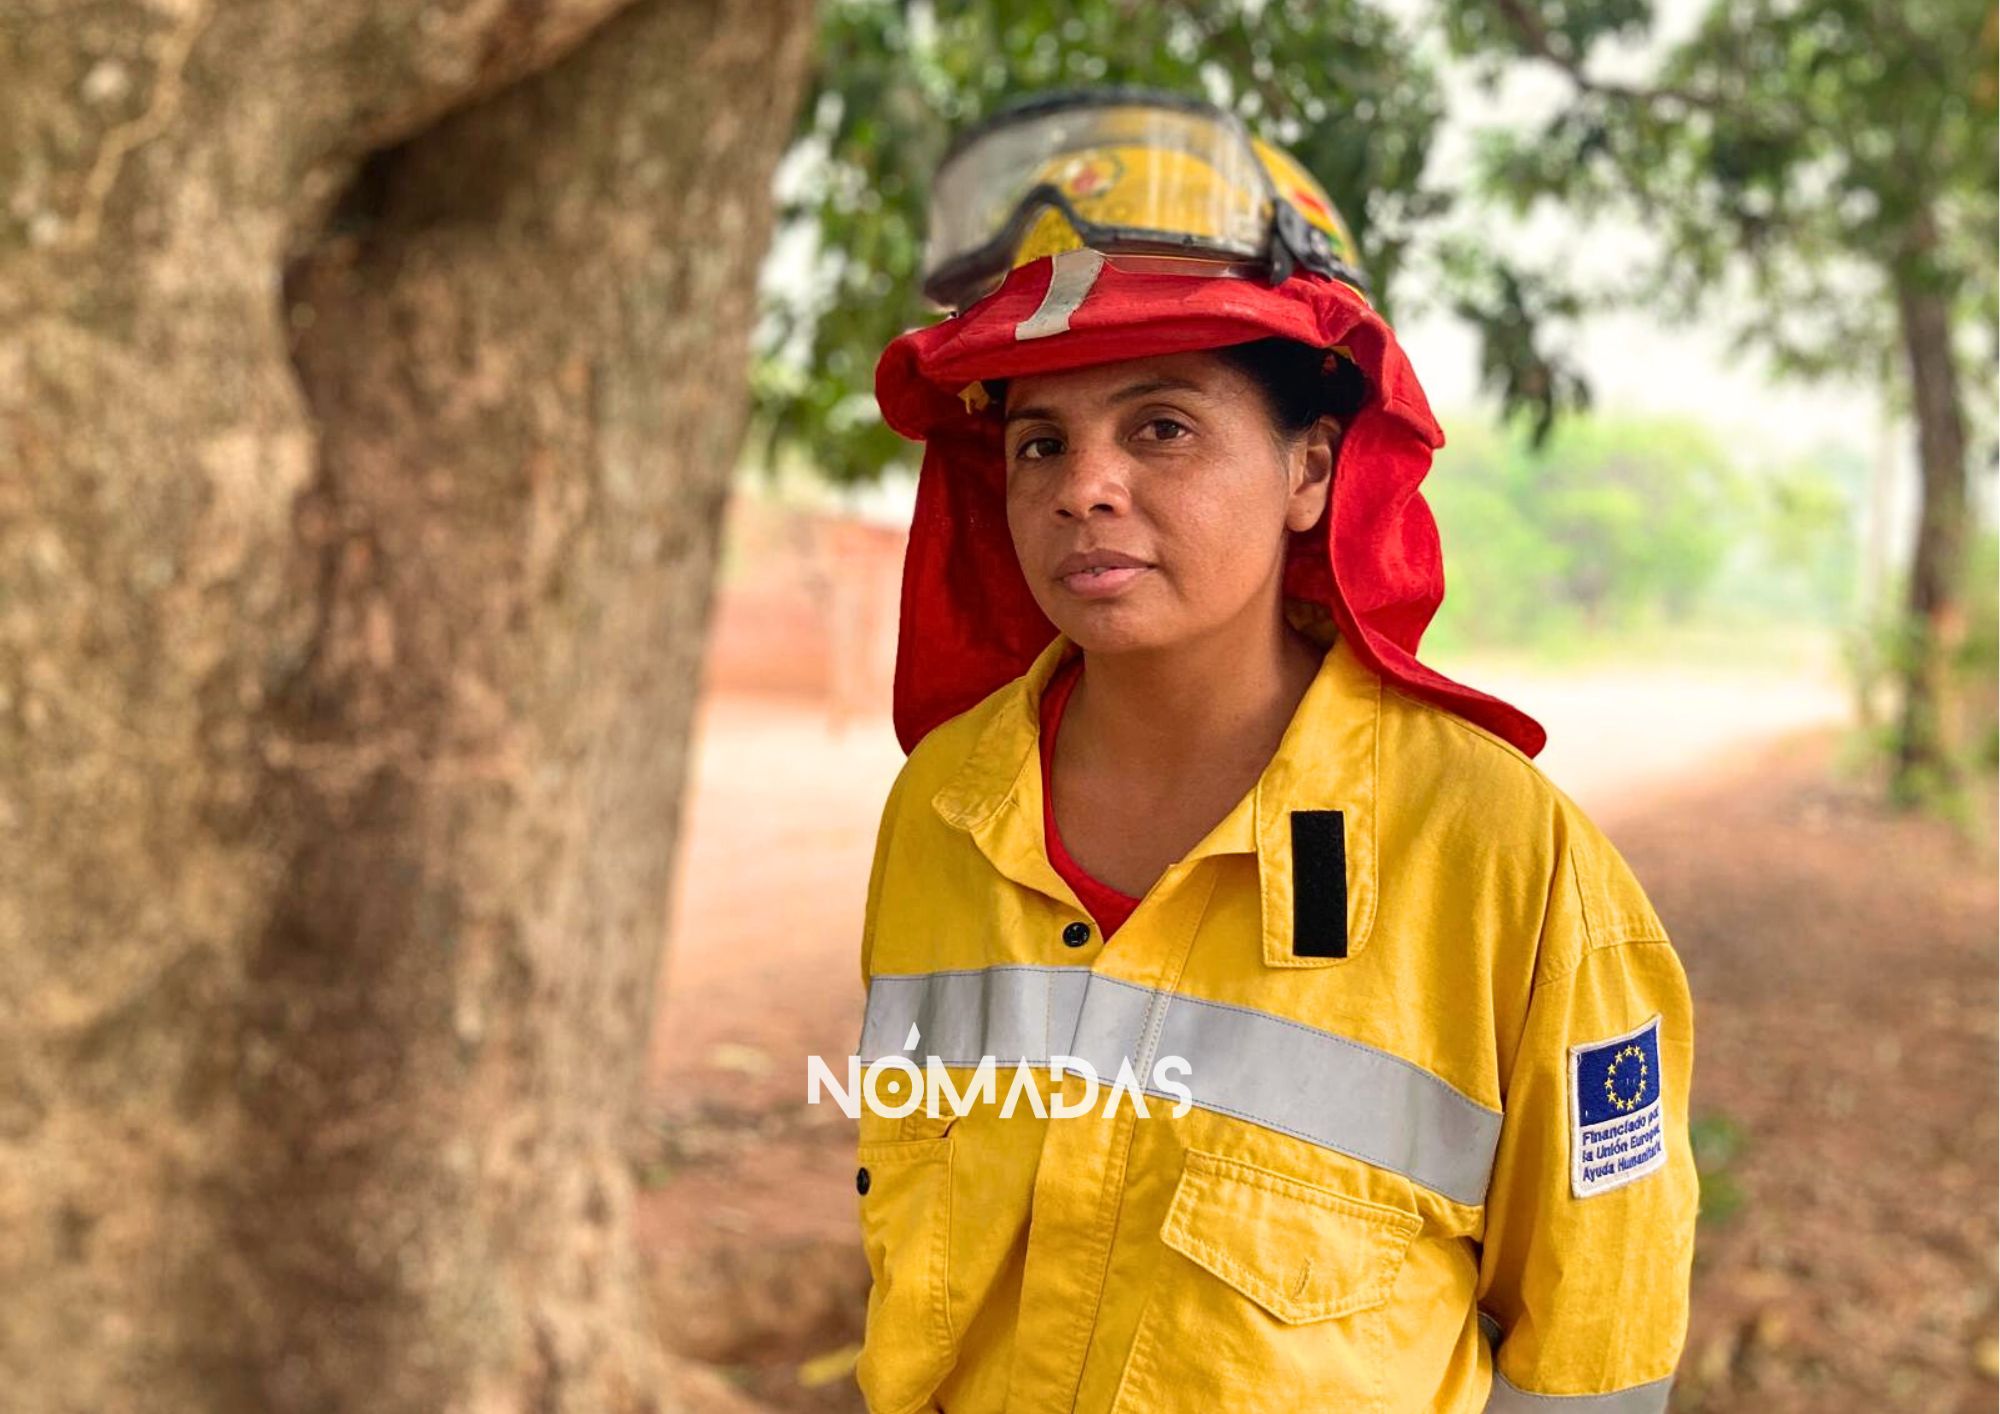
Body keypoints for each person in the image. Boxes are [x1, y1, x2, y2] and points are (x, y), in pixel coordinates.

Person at [852, 89, 1698, 1413]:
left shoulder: (1504, 857)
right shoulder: (942, 810)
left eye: (1161, 426)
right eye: (1038, 441)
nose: (1085, 485)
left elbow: (1592, 1355)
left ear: (1312, 468)